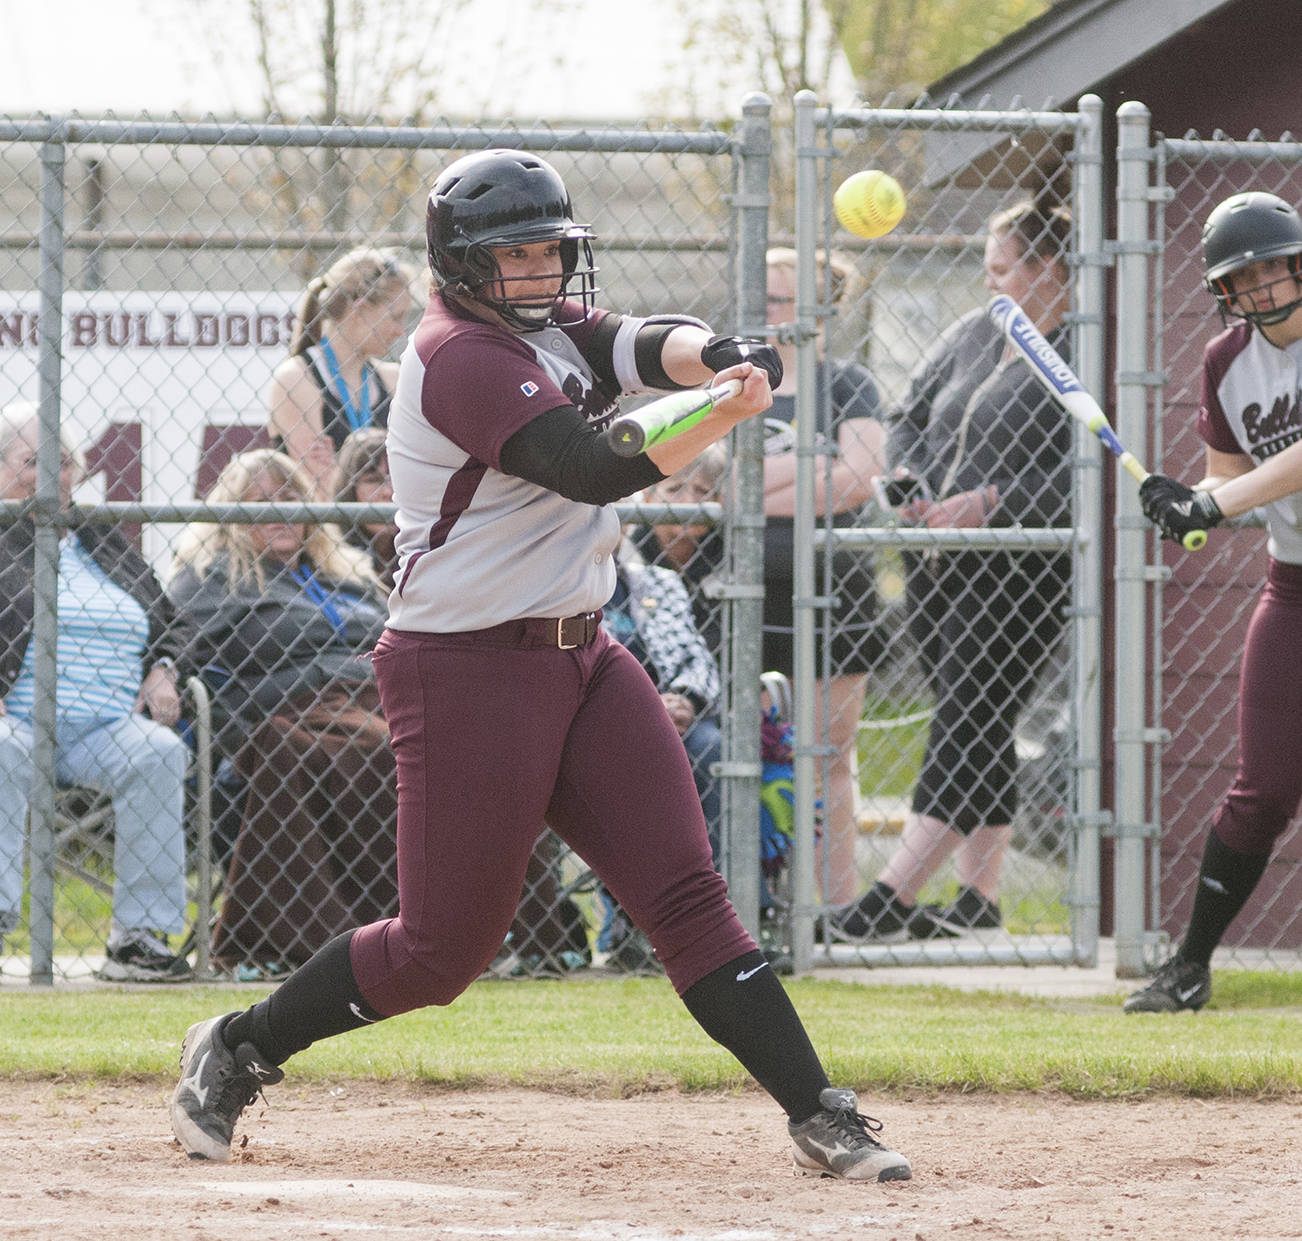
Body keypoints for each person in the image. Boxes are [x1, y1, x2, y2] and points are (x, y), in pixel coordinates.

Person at [167, 147, 911, 1183]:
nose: (541, 273)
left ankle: (819, 1108)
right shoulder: (456, 354)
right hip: (462, 667)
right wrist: (724, 413)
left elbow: (635, 339)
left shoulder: (541, 321)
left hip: (583, 654)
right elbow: (590, 462)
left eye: (551, 251)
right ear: (462, 266)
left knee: (687, 892)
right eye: (515, 255)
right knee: (441, 952)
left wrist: (720, 351)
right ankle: (238, 1044)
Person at [831, 196, 1074, 942]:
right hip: (936, 564)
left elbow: (1080, 469)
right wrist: (908, 482)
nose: (990, 282)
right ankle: (978, 899)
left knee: (965, 717)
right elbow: (909, 413)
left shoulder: (1081, 348)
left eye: (1002, 268)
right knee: (982, 722)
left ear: (1051, 270)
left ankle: (891, 895)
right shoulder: (977, 330)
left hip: (1018, 568)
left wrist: (991, 501)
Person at [1126, 190, 1302, 1013]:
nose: (1267, 284)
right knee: (1263, 787)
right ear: (1225, 292)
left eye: (1277, 265)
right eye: (1247, 275)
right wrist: (1185, 503)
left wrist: (1215, 505)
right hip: (1292, 586)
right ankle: (1189, 965)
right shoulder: (1226, 361)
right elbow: (1228, 483)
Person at [168, 449, 397, 976]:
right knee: (363, 749)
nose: (279, 511)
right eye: (260, 501)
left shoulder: (349, 575)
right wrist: (317, 676)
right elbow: (190, 669)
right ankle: (336, 938)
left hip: (385, 702)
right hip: (293, 715)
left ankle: (477, 929)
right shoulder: (211, 578)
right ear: (230, 514)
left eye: (290, 497)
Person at [0, 401, 192, 981]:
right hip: (15, 719)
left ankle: (138, 938)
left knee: (161, 752)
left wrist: (163, 667)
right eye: (32, 461)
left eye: (62, 462)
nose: (49, 475)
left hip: (104, 727)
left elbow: (173, 621)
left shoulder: (102, 538)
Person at [761, 247, 887, 907]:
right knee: (746, 749)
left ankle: (832, 909)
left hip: (837, 591)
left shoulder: (847, 383)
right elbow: (708, 482)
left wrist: (754, 486)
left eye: (782, 301)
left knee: (828, 755)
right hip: (746, 592)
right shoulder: (731, 382)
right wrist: (814, 474)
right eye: (764, 298)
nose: (769, 313)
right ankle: (753, 901)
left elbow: (859, 478)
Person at [266, 247, 419, 496]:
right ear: (359, 309)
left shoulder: (393, 379)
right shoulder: (296, 379)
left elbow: (415, 473)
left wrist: (342, 470)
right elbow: (321, 487)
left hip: (390, 531)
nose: (401, 330)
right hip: (327, 532)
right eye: (395, 317)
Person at [335, 427, 398, 590]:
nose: (388, 491)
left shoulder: (423, 546)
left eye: (396, 478)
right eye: (373, 480)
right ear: (349, 489)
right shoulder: (332, 554)